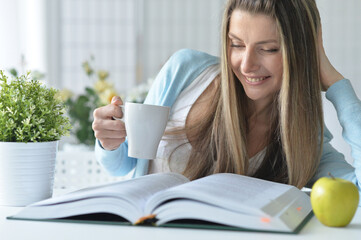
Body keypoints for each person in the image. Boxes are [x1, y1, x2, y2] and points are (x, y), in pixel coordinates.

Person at [92, 0, 360, 194]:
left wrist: (336, 83)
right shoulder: (185, 70)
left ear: (299, 52)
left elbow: (356, 191)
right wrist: (110, 141)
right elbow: (124, 164)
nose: (246, 65)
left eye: (268, 49)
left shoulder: (303, 135)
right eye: (237, 45)